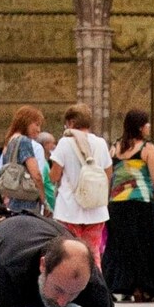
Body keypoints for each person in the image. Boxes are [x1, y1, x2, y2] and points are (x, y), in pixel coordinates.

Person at [105, 109, 154, 302]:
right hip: (141, 202)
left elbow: (108, 175)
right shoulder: (147, 148)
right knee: (143, 245)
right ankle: (144, 288)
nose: (149, 127)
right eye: (146, 124)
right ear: (140, 126)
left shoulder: (114, 147)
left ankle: (118, 285)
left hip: (117, 203)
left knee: (119, 245)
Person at [51, 104, 113, 260]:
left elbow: (54, 176)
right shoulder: (101, 143)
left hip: (68, 209)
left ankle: (74, 283)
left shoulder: (65, 143)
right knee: (93, 255)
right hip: (96, 209)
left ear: (71, 123)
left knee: (69, 255)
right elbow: (108, 174)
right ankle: (94, 282)